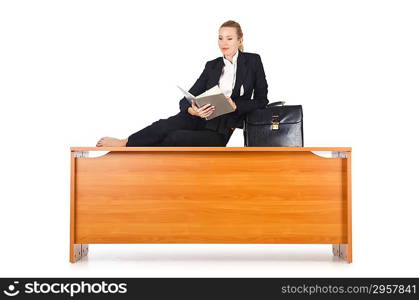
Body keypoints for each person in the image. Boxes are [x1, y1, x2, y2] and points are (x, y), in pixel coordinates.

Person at [96, 20, 269, 147]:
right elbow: (186, 99)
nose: (224, 43)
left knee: (175, 138)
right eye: (220, 38)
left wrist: (235, 105)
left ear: (239, 40)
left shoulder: (253, 61)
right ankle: (125, 142)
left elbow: (262, 100)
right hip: (198, 117)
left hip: (221, 127)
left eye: (229, 38)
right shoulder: (212, 65)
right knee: (163, 125)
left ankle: (131, 151)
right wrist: (193, 109)